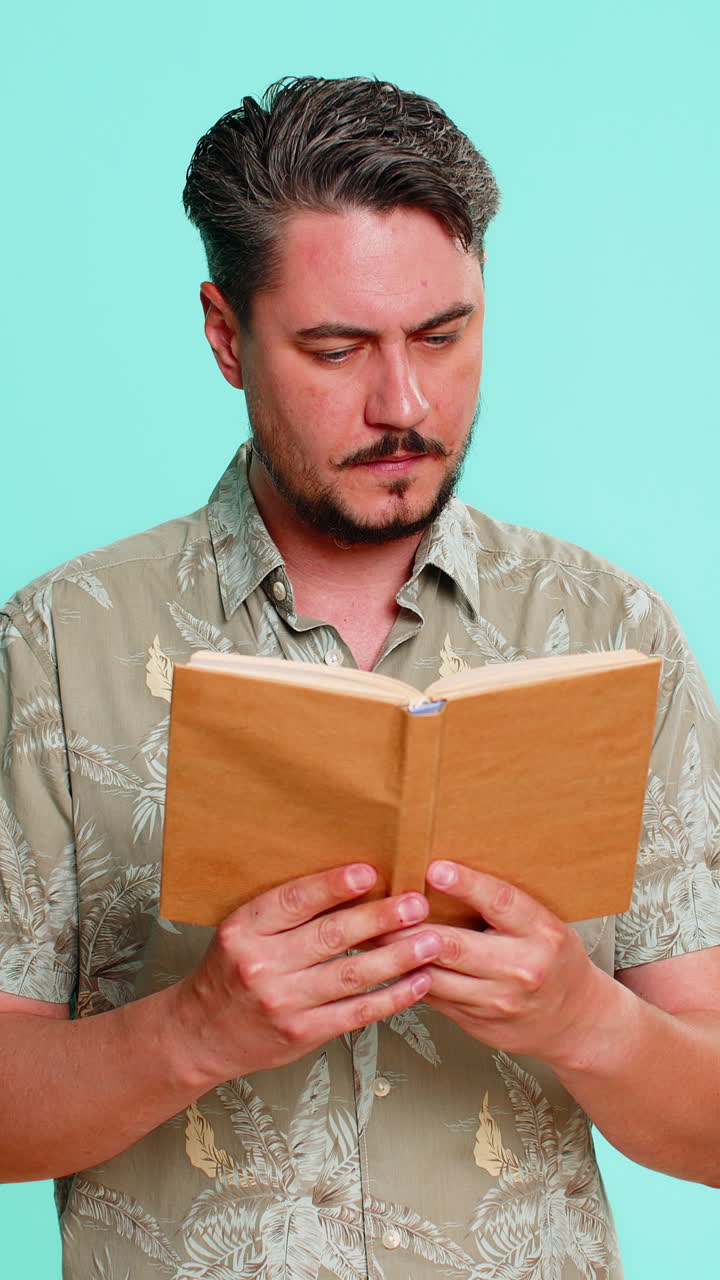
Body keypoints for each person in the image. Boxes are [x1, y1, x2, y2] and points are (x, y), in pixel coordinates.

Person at [1, 75, 719, 1280]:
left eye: (444, 335)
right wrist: (195, 1027)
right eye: (336, 349)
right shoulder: (57, 644)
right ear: (226, 335)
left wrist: (582, 1019)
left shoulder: (612, 626)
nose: (406, 402)